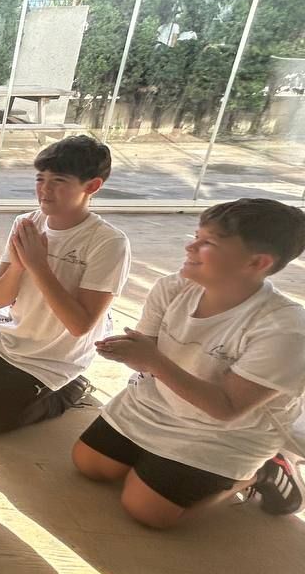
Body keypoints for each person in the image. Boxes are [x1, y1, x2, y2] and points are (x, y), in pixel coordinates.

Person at [74, 199, 305, 528]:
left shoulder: (285, 328)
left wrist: (152, 360)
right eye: (196, 235)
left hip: (226, 432)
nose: (190, 246)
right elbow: (145, 353)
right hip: (158, 403)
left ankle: (264, 471)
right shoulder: (172, 288)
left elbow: (226, 408)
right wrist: (126, 351)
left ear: (257, 262)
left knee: (147, 510)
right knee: (90, 464)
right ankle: (166, 467)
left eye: (208, 242)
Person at [0, 135, 130, 434]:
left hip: (55, 356)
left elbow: (80, 325)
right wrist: (19, 266)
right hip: (7, 335)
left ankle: (73, 387)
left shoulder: (108, 242)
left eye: (59, 181)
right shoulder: (27, 223)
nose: (45, 189)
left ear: (92, 186)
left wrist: (38, 266)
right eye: (40, 178)